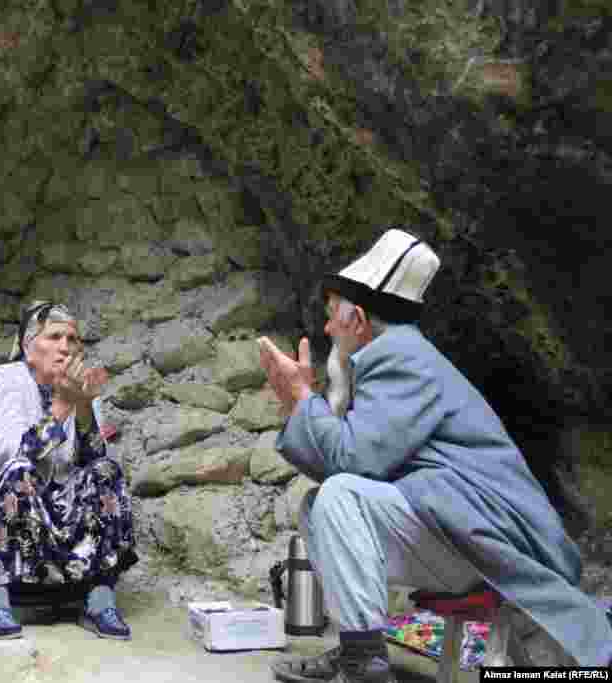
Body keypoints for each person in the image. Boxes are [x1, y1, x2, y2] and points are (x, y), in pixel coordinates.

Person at [258, 229, 612, 682]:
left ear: (359, 318)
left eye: (331, 316)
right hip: (453, 528)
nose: (327, 329)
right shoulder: (395, 358)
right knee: (320, 505)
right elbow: (346, 458)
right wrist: (298, 402)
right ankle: (358, 650)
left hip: (488, 538)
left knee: (340, 494)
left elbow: (351, 462)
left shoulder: (401, 358)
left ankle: (363, 662)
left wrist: (303, 396)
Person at [0, 300, 138, 640]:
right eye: (54, 337)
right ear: (29, 348)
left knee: (106, 471)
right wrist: (62, 406)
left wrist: (83, 405)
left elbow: (93, 459)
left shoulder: (77, 387)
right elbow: (10, 454)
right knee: (19, 473)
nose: (65, 347)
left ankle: (99, 598)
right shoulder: (5, 378)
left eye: (72, 339)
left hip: (58, 505)